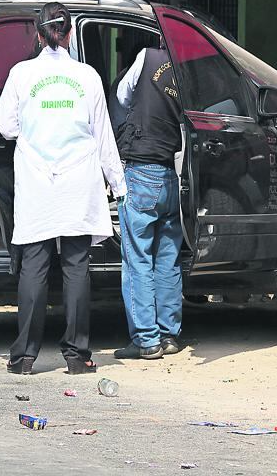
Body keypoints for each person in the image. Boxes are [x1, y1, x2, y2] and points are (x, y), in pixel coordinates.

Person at [0, 2, 126, 376]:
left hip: (37, 183)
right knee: (75, 269)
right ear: (68, 34)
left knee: (33, 268)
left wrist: (32, 137)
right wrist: (118, 184)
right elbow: (103, 136)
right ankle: (78, 356)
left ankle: (23, 358)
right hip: (78, 184)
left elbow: (4, 124)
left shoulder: (21, 74)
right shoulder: (87, 77)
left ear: (38, 35)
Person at [113, 46, 185, 360]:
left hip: (142, 170)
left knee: (138, 260)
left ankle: (146, 340)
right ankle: (169, 336)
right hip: (174, 172)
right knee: (168, 260)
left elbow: (122, 94)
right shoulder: (193, 67)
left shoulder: (147, 56)